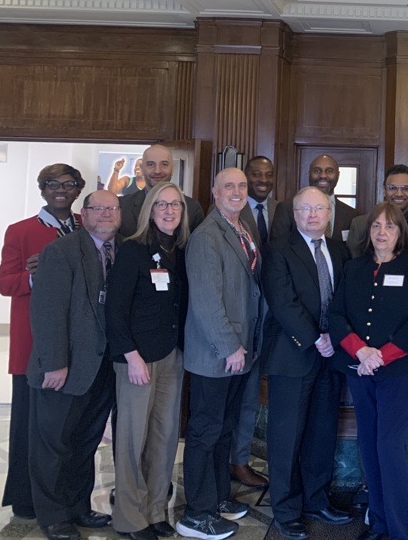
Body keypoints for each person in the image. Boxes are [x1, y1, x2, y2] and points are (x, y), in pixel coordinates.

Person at [329, 202, 408, 540]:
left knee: (390, 446)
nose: (382, 232)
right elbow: (336, 316)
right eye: (376, 226)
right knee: (370, 445)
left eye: (389, 226)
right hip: (359, 368)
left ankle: (402, 530)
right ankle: (379, 523)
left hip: (403, 371)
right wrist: (360, 351)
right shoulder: (354, 268)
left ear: (400, 231)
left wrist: (380, 356)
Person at [27, 190, 119, 540]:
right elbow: (47, 312)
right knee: (54, 445)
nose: (106, 214)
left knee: (85, 443)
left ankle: (79, 506)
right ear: (84, 213)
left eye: (113, 208)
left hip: (102, 369)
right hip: (64, 369)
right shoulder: (61, 251)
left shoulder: (120, 249)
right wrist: (55, 363)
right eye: (99, 208)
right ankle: (53, 516)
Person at [178, 168, 264, 540]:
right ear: (214, 192)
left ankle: (216, 499)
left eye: (241, 186)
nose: (237, 191)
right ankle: (195, 514)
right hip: (217, 355)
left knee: (223, 431)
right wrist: (230, 347)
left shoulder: (242, 227)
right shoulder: (206, 237)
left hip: (238, 354)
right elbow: (207, 300)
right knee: (204, 432)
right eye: (228, 186)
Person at [261, 187, 352, 540]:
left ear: (329, 213)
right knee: (286, 437)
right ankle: (285, 510)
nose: (313, 215)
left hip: (331, 358)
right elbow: (283, 303)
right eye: (305, 209)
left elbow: (343, 299)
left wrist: (337, 339)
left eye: (319, 208)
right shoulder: (278, 250)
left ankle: (316, 500)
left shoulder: (340, 251)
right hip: (294, 355)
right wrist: (317, 338)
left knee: (322, 432)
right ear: (294, 214)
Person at [0, 163, 83, 522]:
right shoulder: (21, 231)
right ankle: (25, 497)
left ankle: (66, 496)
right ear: (41, 189)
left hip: (77, 344)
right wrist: (33, 277)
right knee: (30, 427)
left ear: (78, 189)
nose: (60, 190)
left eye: (68, 184)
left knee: (69, 429)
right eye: (51, 184)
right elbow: (5, 284)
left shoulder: (87, 226)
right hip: (34, 346)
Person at [105, 182, 190, 540]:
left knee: (165, 436)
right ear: (150, 211)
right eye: (162, 205)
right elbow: (115, 309)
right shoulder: (133, 251)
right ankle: (129, 516)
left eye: (175, 206)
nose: (169, 211)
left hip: (172, 355)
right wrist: (131, 356)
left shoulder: (182, 251)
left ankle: (156, 510)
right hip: (137, 359)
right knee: (132, 438)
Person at [231, 155, 277, 489]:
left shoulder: (283, 210)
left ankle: (240, 459)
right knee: (234, 397)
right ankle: (232, 462)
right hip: (237, 319)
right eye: (255, 174)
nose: (262, 179)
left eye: (267, 174)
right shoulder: (230, 212)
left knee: (250, 396)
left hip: (271, 319)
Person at [346, 164, 408, 258]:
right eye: (392, 188)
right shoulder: (360, 225)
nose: (399, 194)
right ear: (384, 190)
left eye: (405, 188)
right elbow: (354, 266)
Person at [119, 144, 205, 237]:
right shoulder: (123, 206)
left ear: (173, 168)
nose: (157, 171)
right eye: (151, 164)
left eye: (164, 164)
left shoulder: (192, 208)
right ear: (142, 168)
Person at [271, 154, 358, 243]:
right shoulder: (287, 208)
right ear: (309, 174)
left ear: (338, 175)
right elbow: (278, 247)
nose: (323, 176)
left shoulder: (352, 215)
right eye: (317, 171)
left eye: (329, 171)